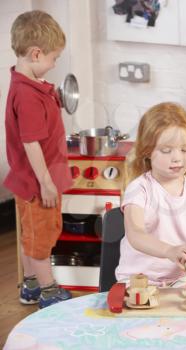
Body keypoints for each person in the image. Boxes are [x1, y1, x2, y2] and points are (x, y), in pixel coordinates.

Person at [4, 10, 73, 308]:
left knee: (31, 234)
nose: (54, 64)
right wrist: (45, 182)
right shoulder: (28, 95)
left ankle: (30, 285)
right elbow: (30, 142)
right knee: (41, 239)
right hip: (36, 183)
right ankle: (48, 290)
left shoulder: (27, 85)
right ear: (35, 53)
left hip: (27, 180)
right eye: (53, 58)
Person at [116, 102, 186, 287]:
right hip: (137, 281)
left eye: (184, 149)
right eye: (166, 150)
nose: (177, 158)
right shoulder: (139, 189)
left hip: (180, 280)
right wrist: (170, 251)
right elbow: (136, 235)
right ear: (147, 151)